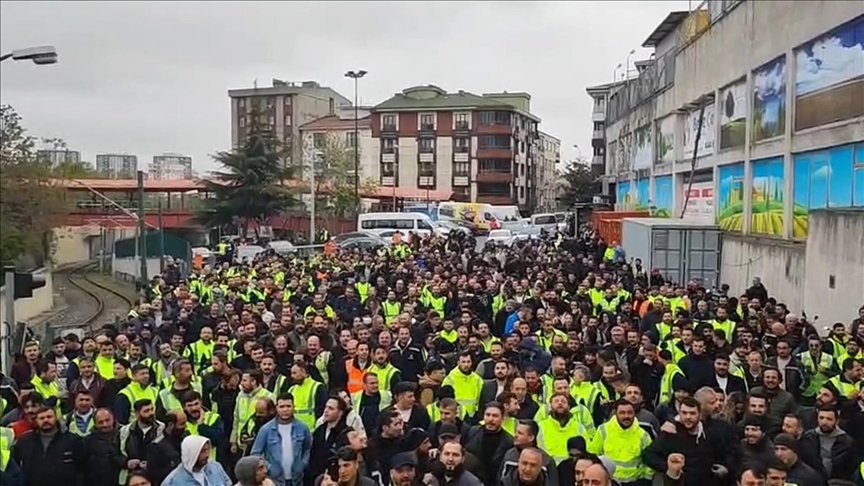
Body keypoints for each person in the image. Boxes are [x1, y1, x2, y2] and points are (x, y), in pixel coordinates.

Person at [11, 406, 85, 486]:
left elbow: (82, 469)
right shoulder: (25, 441)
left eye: (49, 417)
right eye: (42, 418)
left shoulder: (73, 441)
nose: (46, 420)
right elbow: (15, 466)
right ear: (36, 421)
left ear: (56, 418)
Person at [250, 393, 312, 486]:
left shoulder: (303, 428)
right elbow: (255, 453)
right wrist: (269, 467)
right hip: (274, 480)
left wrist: (302, 464)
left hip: (296, 480)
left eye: (288, 406)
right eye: (282, 406)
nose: (285, 410)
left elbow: (308, 448)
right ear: (276, 408)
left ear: (293, 407)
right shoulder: (266, 429)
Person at [162, 435, 232, 486]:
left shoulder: (215, 467)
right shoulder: (172, 481)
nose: (207, 454)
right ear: (192, 453)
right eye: (203, 451)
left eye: (208, 450)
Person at [82, 408, 126, 486]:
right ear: (95, 424)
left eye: (107, 420)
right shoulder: (87, 442)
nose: (105, 424)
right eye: (100, 422)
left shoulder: (126, 433)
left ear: (113, 418)